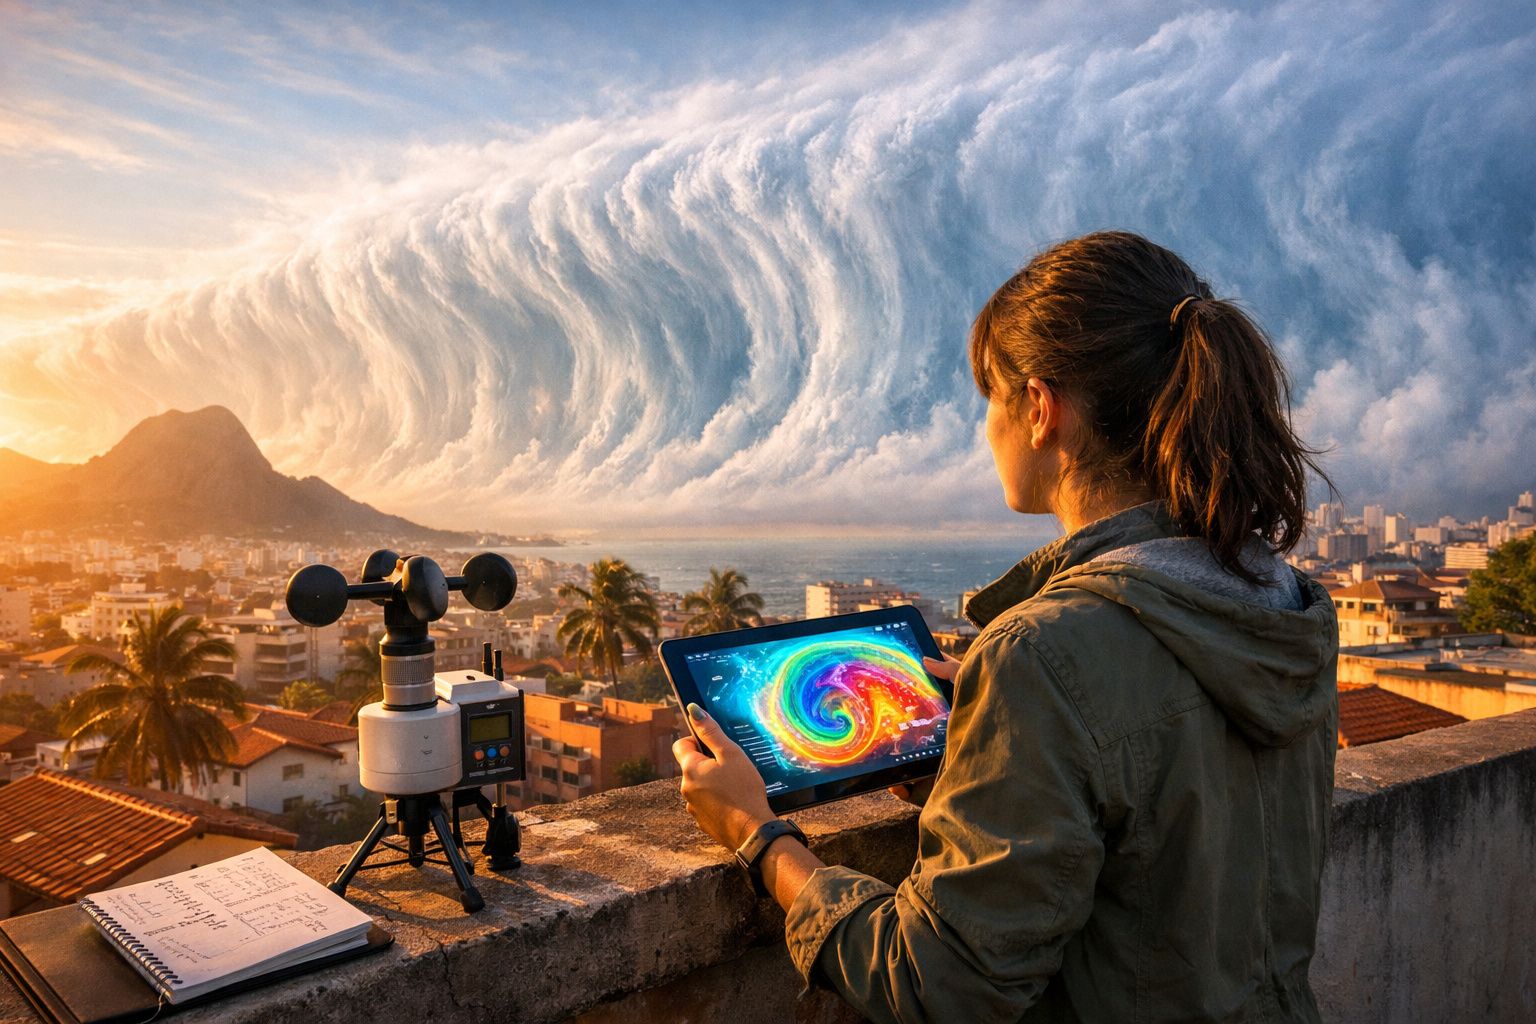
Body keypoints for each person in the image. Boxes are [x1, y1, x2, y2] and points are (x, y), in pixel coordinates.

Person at [673, 230, 1339, 1023]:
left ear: (1039, 408)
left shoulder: (1046, 651)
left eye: (989, 397)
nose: (985, 428)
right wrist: (993, 745)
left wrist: (758, 835)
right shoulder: (1283, 600)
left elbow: (940, 984)